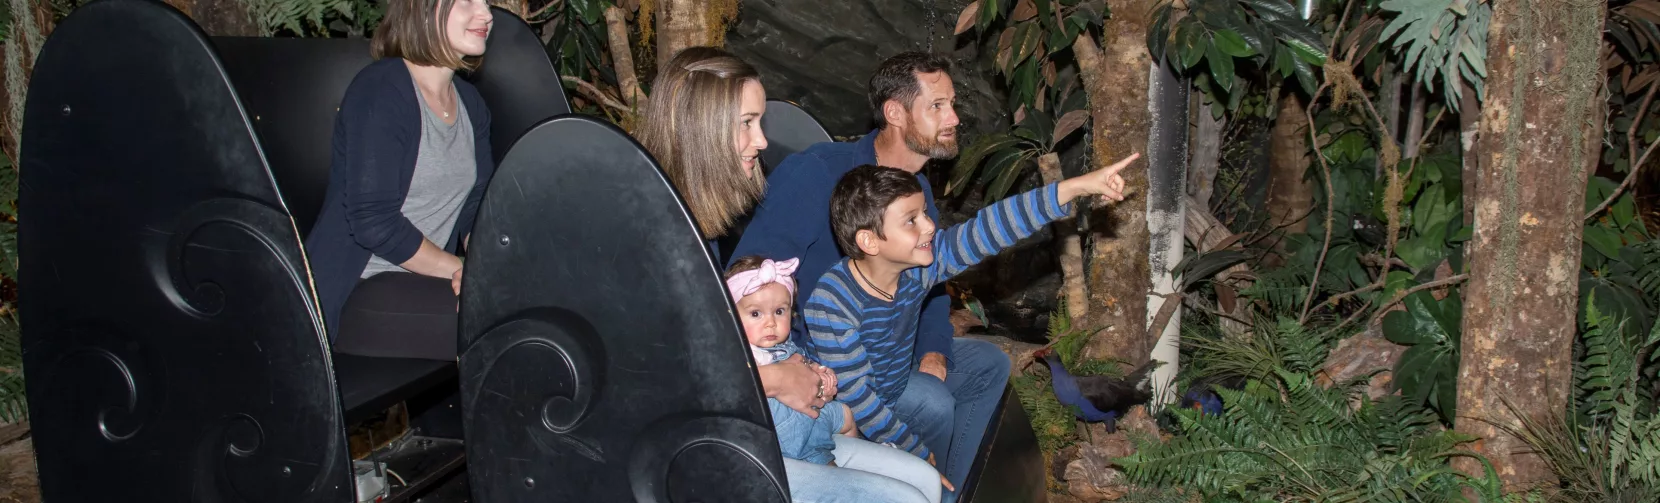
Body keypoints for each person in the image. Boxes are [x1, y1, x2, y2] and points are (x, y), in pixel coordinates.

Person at [636, 46, 926, 502]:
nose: (763, 140)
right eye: (746, 123)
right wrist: (771, 379)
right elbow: (651, 373)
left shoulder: (698, 227)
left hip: (746, 418)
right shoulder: (651, 231)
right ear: (701, 130)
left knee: (919, 480)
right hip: (687, 452)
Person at [730, 51, 1001, 494]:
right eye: (937, 106)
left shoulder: (917, 192)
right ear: (895, 112)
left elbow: (928, 281)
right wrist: (790, 365)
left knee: (988, 363)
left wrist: (934, 350)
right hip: (826, 355)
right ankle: (921, 481)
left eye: (952, 104)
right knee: (932, 403)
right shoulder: (816, 174)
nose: (953, 117)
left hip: (890, 341)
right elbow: (748, 279)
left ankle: (953, 490)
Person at [804, 156, 1137, 482]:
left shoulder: (919, 268)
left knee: (989, 362)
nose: (930, 225)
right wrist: (916, 451)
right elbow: (859, 399)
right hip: (852, 415)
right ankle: (928, 479)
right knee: (933, 408)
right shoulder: (832, 304)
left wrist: (1075, 187)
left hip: (894, 383)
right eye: (912, 220)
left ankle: (957, 482)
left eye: (924, 213)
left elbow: (989, 228)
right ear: (869, 241)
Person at [306, 0, 495, 360]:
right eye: (467, 1)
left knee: (529, 303)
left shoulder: (471, 104)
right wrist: (462, 269)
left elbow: (477, 207)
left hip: (425, 280)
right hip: (358, 287)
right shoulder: (381, 90)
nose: (486, 15)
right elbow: (373, 222)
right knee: (509, 324)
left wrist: (489, 268)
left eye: (486, 2)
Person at [726, 256, 945, 503]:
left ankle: (855, 462)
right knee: (829, 460)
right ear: (730, 317)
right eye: (755, 313)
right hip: (784, 443)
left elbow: (807, 367)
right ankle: (845, 475)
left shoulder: (785, 346)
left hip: (814, 424)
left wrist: (822, 379)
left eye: (779, 311)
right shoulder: (739, 355)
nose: (771, 323)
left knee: (846, 415)